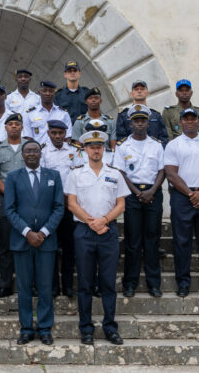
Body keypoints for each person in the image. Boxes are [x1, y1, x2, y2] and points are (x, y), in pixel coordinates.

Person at [65, 130, 127, 346]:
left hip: (108, 232)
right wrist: (92, 222)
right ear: (85, 150)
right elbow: (71, 203)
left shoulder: (115, 173)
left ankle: (110, 327)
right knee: (85, 283)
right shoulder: (75, 174)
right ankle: (86, 329)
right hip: (84, 232)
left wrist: (104, 221)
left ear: (104, 149)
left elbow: (121, 204)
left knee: (109, 283)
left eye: (99, 146)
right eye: (91, 146)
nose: (96, 150)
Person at [4, 139, 64, 346]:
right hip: (22, 241)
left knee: (46, 287)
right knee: (24, 287)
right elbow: (9, 209)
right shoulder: (13, 177)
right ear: (22, 155)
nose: (31, 154)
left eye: (35, 150)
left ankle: (45, 328)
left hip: (46, 241)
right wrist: (28, 232)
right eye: (27, 151)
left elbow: (59, 207)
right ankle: (27, 328)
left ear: (40, 154)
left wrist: (44, 232)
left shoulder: (53, 176)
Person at [163, 108, 199, 298]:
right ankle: (183, 283)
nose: (189, 121)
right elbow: (171, 173)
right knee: (182, 242)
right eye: (185, 118)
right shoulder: (173, 145)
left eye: (193, 118)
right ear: (180, 122)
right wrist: (190, 194)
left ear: (198, 121)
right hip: (182, 197)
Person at [112, 105, 165, 297]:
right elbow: (121, 172)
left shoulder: (157, 145)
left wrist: (151, 191)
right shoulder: (123, 145)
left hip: (153, 194)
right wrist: (136, 192)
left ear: (148, 123)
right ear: (130, 123)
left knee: (152, 240)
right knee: (132, 241)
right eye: (136, 120)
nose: (140, 124)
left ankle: (154, 284)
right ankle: (130, 283)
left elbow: (162, 171)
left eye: (143, 120)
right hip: (132, 195)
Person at [41, 120, 86, 298]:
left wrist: (68, 197)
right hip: (51, 205)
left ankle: (68, 286)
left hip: (70, 205)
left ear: (66, 134)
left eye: (61, 133)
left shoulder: (74, 151)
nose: (58, 136)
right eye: (54, 133)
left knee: (69, 247)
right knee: (50, 246)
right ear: (49, 133)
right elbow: (43, 179)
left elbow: (78, 175)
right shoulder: (43, 151)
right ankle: (53, 286)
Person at [0, 113, 26, 298]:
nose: (13, 126)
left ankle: (27, 284)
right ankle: (5, 285)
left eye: (17, 124)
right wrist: (8, 192)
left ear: (22, 127)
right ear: (5, 127)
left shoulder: (29, 147)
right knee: (5, 245)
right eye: (10, 124)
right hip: (5, 198)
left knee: (26, 243)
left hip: (27, 199)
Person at [115, 80, 168, 145]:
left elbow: (164, 138)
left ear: (148, 93)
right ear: (131, 94)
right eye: (136, 89)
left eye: (142, 89)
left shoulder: (156, 115)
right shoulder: (123, 115)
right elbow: (120, 137)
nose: (139, 91)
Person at [23, 81, 72, 145]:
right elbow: (28, 138)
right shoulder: (29, 114)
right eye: (44, 91)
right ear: (39, 93)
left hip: (59, 152)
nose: (47, 93)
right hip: (38, 152)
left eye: (51, 91)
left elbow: (67, 137)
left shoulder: (63, 114)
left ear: (55, 93)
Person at [54, 60, 89, 125]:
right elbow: (55, 117)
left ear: (79, 74)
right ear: (65, 75)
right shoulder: (58, 95)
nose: (72, 73)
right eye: (69, 71)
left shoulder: (87, 93)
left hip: (83, 131)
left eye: (75, 71)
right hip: (66, 132)